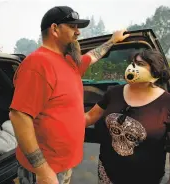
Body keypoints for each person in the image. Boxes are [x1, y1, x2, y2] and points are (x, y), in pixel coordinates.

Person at [9, 5, 130, 184]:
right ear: (55, 29)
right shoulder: (37, 64)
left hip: (63, 165)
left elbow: (92, 56)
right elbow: (19, 117)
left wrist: (112, 41)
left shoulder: (69, 63)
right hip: (46, 169)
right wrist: (42, 170)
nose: (78, 32)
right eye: (72, 27)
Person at [85, 49, 170, 184]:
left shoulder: (166, 103)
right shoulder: (114, 93)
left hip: (146, 178)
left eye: (140, 64)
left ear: (155, 71)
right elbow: (90, 116)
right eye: (132, 62)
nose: (132, 67)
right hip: (107, 173)